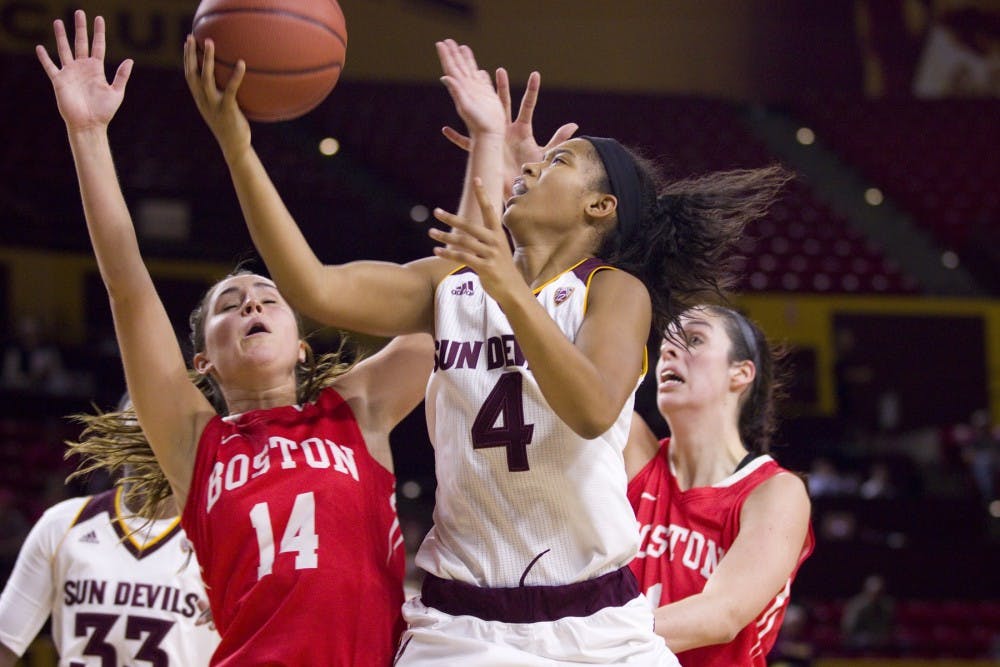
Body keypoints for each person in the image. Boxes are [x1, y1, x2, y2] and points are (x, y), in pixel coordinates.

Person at [186, 32, 789, 664]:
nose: (531, 166)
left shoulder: (612, 292)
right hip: (461, 627)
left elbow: (590, 409)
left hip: (599, 626)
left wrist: (508, 278)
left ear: (600, 206)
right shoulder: (454, 285)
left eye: (557, 163)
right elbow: (312, 287)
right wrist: (238, 146)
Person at [36, 11, 434, 665]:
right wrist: (87, 134)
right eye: (229, 305)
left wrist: (500, 173)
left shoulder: (355, 411)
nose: (251, 300)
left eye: (270, 298)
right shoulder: (198, 442)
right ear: (204, 361)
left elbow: (451, 309)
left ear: (302, 344)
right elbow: (128, 286)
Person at [625, 305, 815, 666]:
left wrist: (581, 636)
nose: (668, 350)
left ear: (740, 373)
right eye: (666, 343)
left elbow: (721, 614)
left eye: (694, 339)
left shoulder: (774, 491)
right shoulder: (634, 453)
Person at [0, 397, 220, 667]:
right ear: (115, 432)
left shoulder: (225, 537)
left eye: (166, 415)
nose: (152, 426)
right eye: (139, 414)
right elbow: (5, 642)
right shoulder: (64, 523)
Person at [841, 573, 895, 653]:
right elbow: (848, 627)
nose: (875, 596)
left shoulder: (887, 604)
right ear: (866, 590)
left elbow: (887, 627)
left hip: (880, 638)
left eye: (878, 592)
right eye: (872, 593)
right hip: (858, 638)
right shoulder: (856, 603)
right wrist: (864, 611)